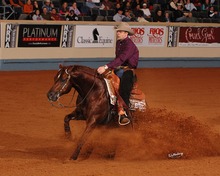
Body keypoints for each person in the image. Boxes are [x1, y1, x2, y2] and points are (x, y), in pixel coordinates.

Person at [97, 22, 139, 126]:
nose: (118, 33)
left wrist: (106, 67)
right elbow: (118, 59)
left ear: (126, 33)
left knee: (123, 90)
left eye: (120, 31)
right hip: (118, 69)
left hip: (128, 71)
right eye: (118, 31)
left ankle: (123, 112)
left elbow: (121, 58)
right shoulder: (119, 43)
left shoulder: (129, 45)